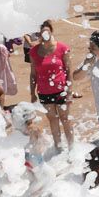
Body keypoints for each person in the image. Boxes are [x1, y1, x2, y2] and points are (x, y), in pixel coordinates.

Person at [28, 21, 74, 152]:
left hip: (61, 90)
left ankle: (72, 148)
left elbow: (68, 70)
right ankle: (58, 147)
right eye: (42, 32)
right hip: (44, 92)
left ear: (51, 32)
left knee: (65, 119)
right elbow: (33, 74)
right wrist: (32, 93)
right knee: (52, 119)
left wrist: (69, 90)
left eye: (47, 31)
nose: (45, 34)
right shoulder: (34, 51)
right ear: (39, 34)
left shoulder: (62, 48)